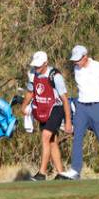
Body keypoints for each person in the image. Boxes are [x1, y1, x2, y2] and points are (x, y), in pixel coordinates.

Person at [58, 45, 99, 180]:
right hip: (81, 108)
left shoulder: (98, 66)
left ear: (85, 56)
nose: (75, 62)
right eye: (74, 60)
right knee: (77, 137)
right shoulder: (76, 68)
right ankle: (75, 170)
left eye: (78, 59)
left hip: (97, 107)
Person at [22, 51, 73, 181]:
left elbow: (65, 100)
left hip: (57, 108)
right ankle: (61, 173)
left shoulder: (55, 76)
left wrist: (68, 121)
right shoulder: (33, 74)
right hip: (42, 108)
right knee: (52, 141)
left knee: (45, 136)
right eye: (35, 65)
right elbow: (30, 92)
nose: (36, 68)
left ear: (46, 63)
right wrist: (23, 106)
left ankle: (41, 173)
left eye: (39, 66)